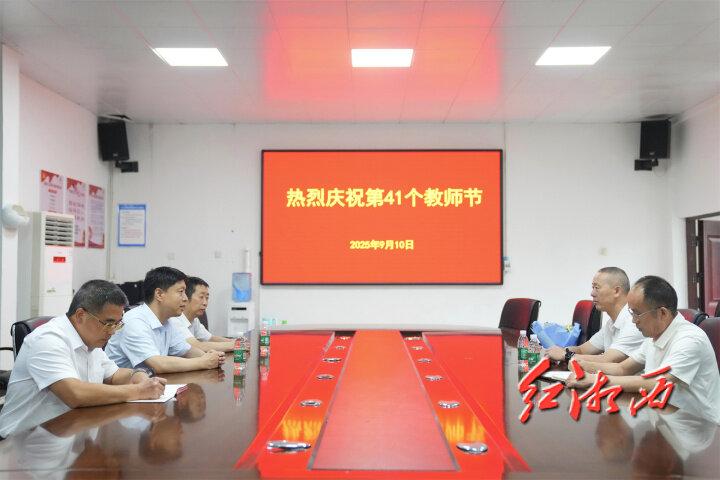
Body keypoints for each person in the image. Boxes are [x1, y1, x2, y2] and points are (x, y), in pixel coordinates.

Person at [0, 280, 166, 438]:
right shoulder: (47, 340)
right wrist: (138, 391)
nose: (112, 331)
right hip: (24, 441)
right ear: (80, 315)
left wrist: (137, 374)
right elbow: (75, 394)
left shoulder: (91, 340)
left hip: (69, 430)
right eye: (108, 323)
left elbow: (114, 375)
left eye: (117, 324)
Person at [567, 276, 720, 424]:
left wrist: (595, 381)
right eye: (631, 312)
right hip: (665, 417)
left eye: (637, 313)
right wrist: (584, 365)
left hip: (699, 427)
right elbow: (623, 368)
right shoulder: (654, 335)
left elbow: (657, 383)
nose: (634, 320)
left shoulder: (690, 339)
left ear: (662, 313)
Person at [105, 267, 224, 374]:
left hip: (149, 383)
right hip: (122, 387)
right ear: (159, 294)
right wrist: (203, 362)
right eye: (181, 292)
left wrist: (211, 357)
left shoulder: (167, 321)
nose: (185, 298)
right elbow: (158, 364)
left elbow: (186, 351)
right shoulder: (134, 321)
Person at [547, 267, 644, 365]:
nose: (592, 293)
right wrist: (561, 351)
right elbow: (582, 350)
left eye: (596, 288)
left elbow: (608, 360)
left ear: (616, 291)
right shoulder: (611, 323)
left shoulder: (633, 322)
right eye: (592, 288)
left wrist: (565, 355)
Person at [168, 277, 234, 352]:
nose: (205, 303)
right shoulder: (175, 319)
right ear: (186, 297)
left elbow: (210, 338)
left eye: (207, 298)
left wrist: (234, 342)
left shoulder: (194, 320)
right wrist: (235, 345)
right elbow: (196, 345)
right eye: (201, 297)